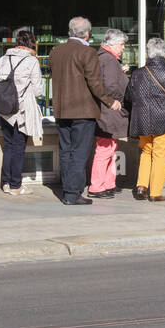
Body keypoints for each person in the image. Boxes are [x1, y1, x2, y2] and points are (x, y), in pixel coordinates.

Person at [47, 17, 121, 205]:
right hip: (83, 111)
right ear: (87, 34)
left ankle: (67, 190)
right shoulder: (88, 52)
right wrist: (110, 101)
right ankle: (72, 194)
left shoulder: (56, 51)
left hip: (62, 110)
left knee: (66, 151)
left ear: (70, 32)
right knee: (79, 153)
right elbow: (95, 84)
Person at [124, 37, 165, 202]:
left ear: (148, 53)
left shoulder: (138, 73)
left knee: (146, 152)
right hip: (164, 119)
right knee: (159, 155)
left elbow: (128, 96)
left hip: (143, 119)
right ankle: (155, 192)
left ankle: (142, 185)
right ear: (164, 52)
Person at [0, 29, 43, 197]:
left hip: (4, 110)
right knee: (19, 148)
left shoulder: (3, 59)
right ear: (31, 43)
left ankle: (5, 183)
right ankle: (16, 185)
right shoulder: (32, 61)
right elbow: (37, 91)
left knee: (8, 146)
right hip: (21, 111)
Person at [89, 28, 129, 198]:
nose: (123, 48)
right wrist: (119, 100)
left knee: (110, 148)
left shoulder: (102, 58)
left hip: (106, 110)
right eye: (122, 44)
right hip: (109, 110)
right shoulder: (109, 60)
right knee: (105, 149)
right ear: (112, 44)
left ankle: (107, 183)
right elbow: (111, 86)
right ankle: (97, 186)